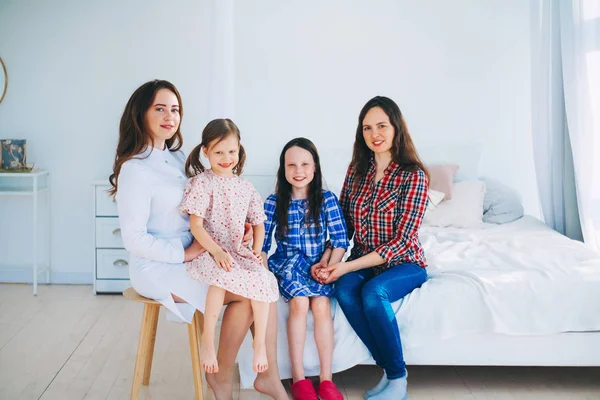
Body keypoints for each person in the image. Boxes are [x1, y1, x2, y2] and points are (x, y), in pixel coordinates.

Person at [110, 80, 288, 400]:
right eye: (160, 108)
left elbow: (206, 205)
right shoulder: (134, 170)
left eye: (175, 109)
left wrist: (235, 231)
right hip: (158, 265)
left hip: (197, 252)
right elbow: (133, 240)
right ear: (140, 114)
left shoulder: (178, 159)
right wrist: (185, 253)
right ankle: (224, 376)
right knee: (247, 293)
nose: (169, 116)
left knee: (261, 280)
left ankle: (266, 375)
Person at [312, 96, 429, 400]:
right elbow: (343, 227)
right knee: (344, 290)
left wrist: (347, 266)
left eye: (381, 126)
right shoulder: (356, 171)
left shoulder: (413, 175)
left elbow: (403, 240)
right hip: (363, 260)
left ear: (396, 128)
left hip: (405, 263)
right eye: (367, 128)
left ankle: (398, 377)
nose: (374, 134)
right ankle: (389, 371)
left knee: (373, 294)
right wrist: (328, 260)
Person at [179, 118, 279, 374]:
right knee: (221, 280)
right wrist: (216, 251)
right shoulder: (203, 183)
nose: (226, 158)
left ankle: (259, 345)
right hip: (209, 250)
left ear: (239, 150)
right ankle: (207, 342)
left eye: (231, 151)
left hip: (236, 251)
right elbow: (196, 226)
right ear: (206, 152)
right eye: (218, 152)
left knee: (262, 278)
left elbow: (258, 222)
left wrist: (257, 249)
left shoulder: (245, 186)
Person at [262, 138, 349, 400]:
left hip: (319, 265)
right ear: (283, 169)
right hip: (288, 263)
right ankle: (299, 379)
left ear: (314, 168)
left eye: (304, 164)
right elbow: (263, 245)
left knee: (321, 305)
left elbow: (340, 241)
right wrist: (264, 275)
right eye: (291, 165)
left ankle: (326, 380)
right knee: (299, 303)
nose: (298, 171)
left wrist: (329, 267)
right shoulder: (274, 201)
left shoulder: (327, 199)